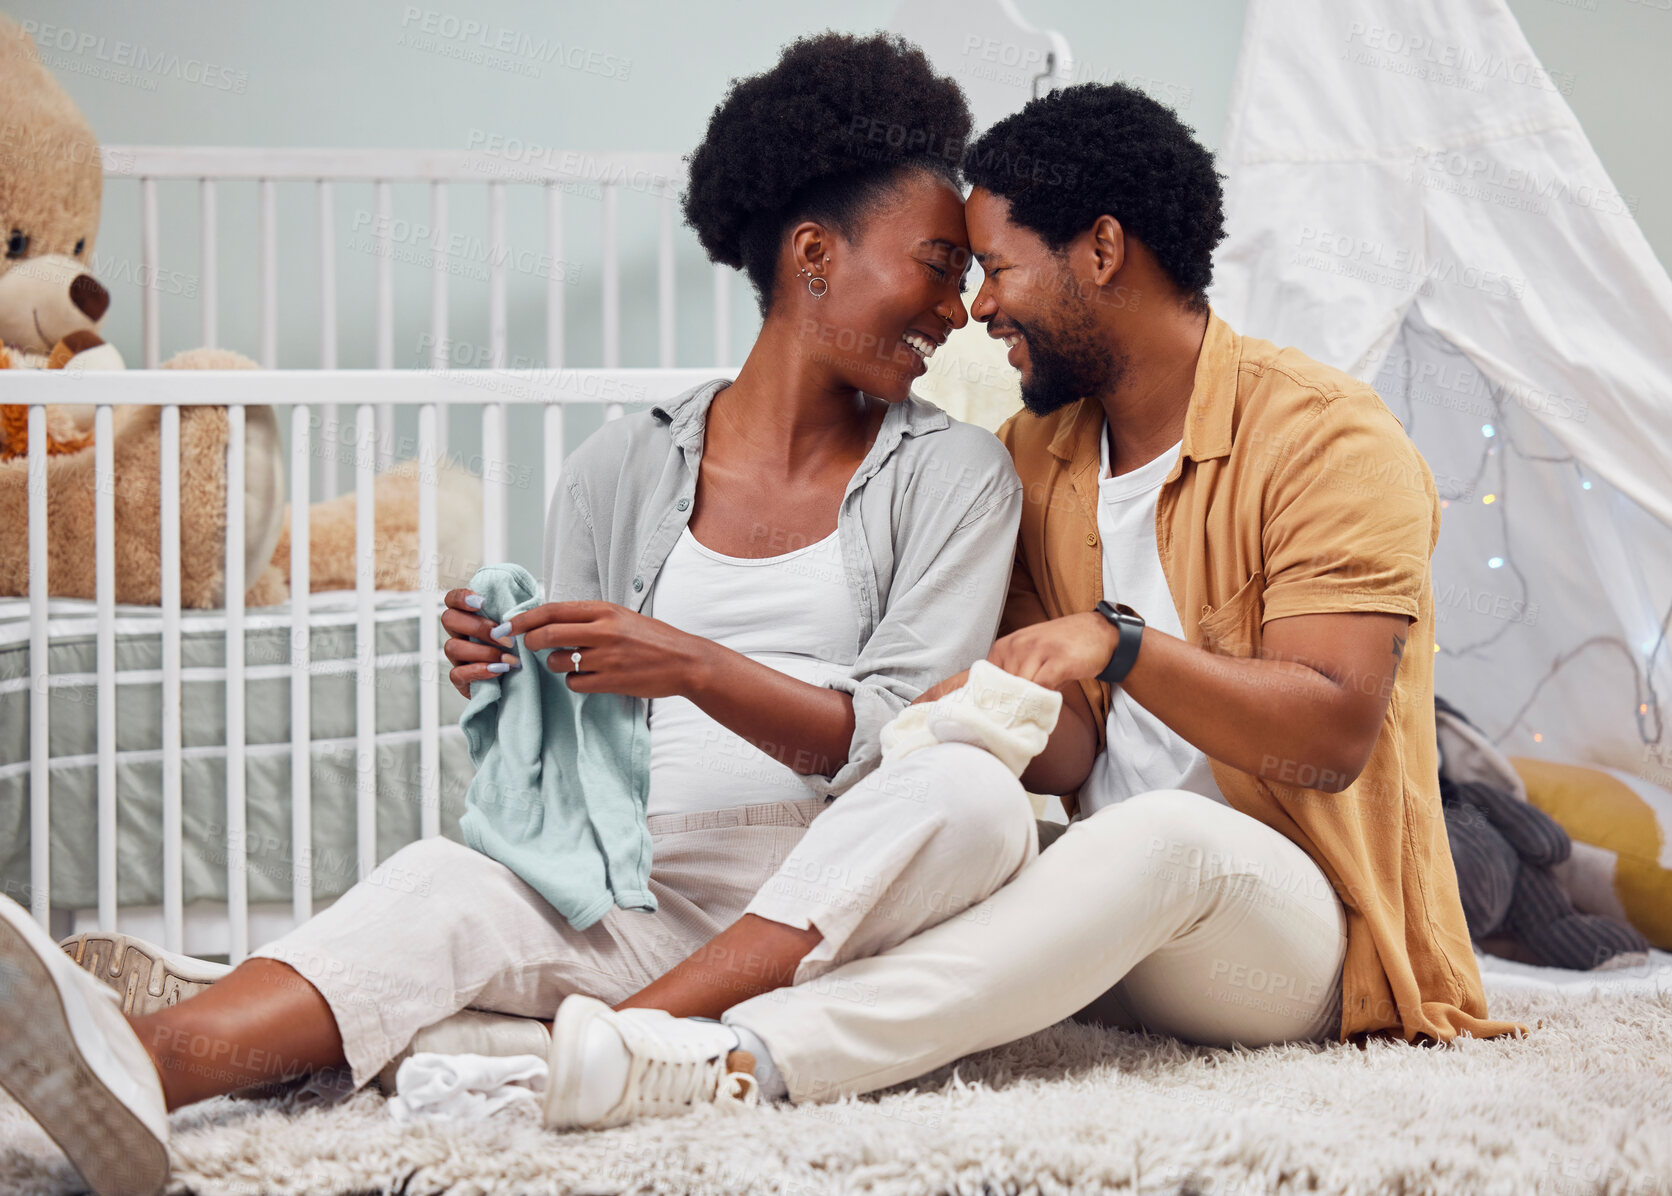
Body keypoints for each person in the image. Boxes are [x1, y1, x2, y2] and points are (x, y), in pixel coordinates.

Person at [0, 33, 1038, 1196]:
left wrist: (690, 664)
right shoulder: (619, 463)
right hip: (634, 890)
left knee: (969, 790)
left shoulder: (956, 475)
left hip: (844, 895)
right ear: (813, 254)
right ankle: (137, 1066)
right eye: (937, 264)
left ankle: (614, 1041)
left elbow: (900, 733)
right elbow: (580, 748)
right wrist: (517, 677)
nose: (957, 307)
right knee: (443, 881)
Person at [536, 80, 1523, 1127]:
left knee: (1166, 835)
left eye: (998, 267)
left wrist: (1118, 644)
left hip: (1298, 941)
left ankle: (727, 1055)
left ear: (1100, 251)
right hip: (1113, 908)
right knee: (969, 803)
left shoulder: (1327, 437)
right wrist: (971, 705)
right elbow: (1068, 754)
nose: (979, 308)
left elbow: (1330, 733)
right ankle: (565, 1046)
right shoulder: (1035, 457)